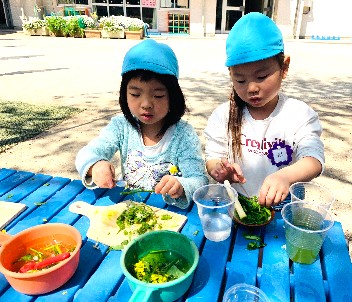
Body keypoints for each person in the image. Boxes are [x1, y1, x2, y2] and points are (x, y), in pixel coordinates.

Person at [204, 12, 324, 208]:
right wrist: (219, 170)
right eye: (240, 80)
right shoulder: (223, 115)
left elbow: (314, 159)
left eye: (261, 77)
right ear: (231, 75)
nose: (251, 88)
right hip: (240, 207)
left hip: (284, 207)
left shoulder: (298, 114)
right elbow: (212, 157)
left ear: (284, 68)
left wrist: (285, 176)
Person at [76, 39, 208, 209]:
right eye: (135, 94)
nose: (146, 104)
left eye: (158, 95)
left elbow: (199, 180)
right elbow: (86, 153)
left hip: (169, 215)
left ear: (172, 97)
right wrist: (95, 165)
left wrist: (182, 186)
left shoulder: (184, 135)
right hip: (131, 211)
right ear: (125, 94)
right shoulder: (121, 127)